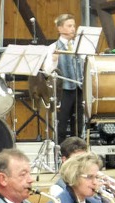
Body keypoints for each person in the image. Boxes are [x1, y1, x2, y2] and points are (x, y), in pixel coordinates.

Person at [43, 14, 84, 143]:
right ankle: (60, 151)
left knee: (78, 122)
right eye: (69, 26)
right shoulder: (53, 47)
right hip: (63, 90)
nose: (73, 29)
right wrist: (54, 59)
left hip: (78, 88)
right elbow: (47, 71)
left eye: (74, 26)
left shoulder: (79, 46)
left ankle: (78, 148)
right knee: (62, 123)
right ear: (60, 29)